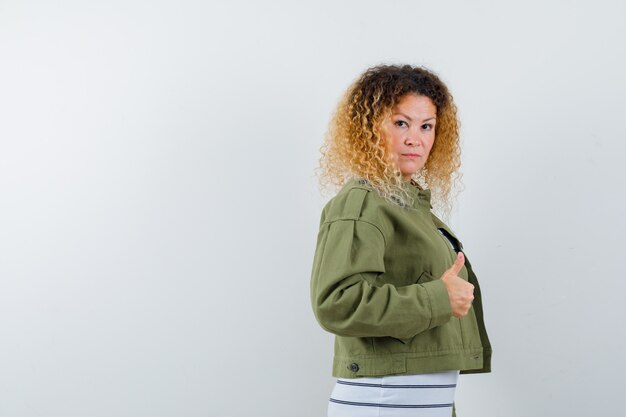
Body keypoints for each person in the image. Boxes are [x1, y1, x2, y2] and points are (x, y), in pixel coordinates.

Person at [309, 64, 492, 417]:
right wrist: (439, 297)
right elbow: (335, 302)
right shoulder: (362, 202)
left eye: (427, 126)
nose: (415, 138)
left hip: (417, 399)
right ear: (368, 129)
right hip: (386, 400)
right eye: (401, 123)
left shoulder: (408, 204)